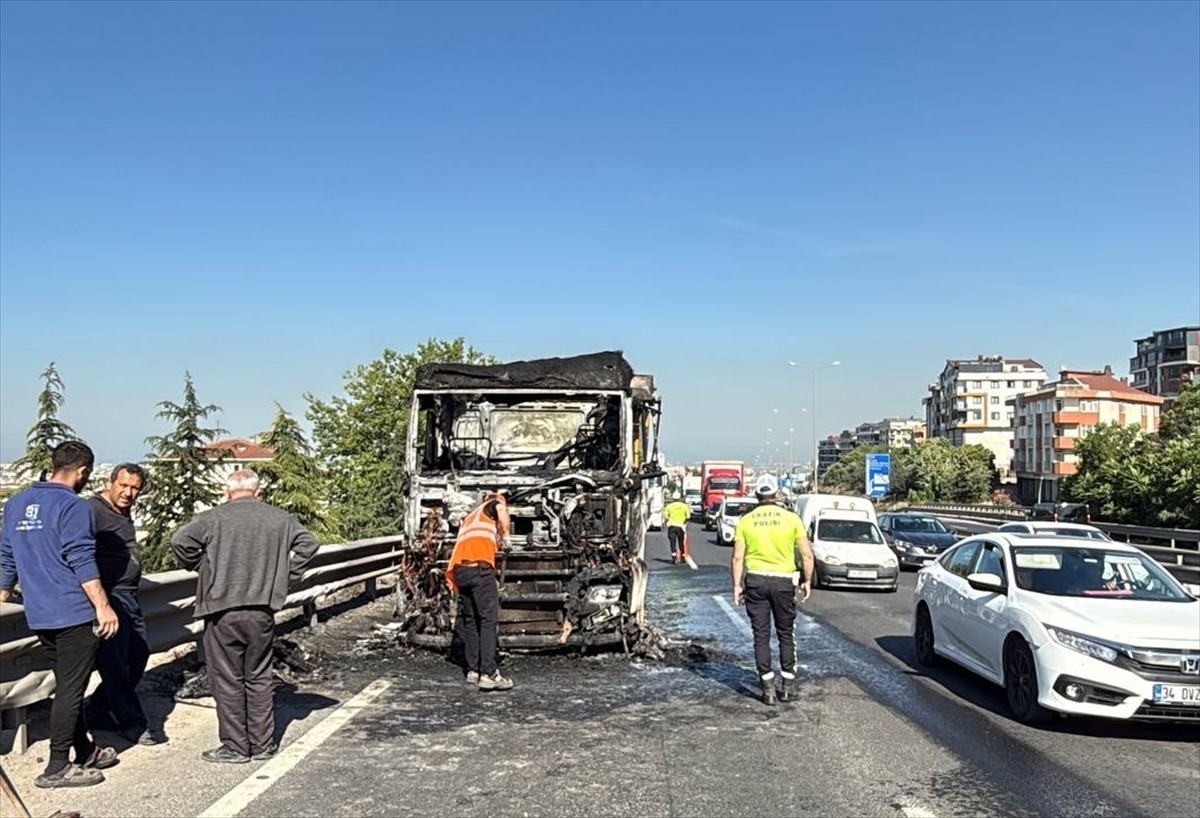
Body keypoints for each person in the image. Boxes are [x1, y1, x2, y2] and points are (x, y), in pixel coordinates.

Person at [171, 469, 319, 764]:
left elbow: (180, 542)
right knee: (259, 676)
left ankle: (237, 747)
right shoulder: (279, 518)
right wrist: (286, 576)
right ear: (258, 492)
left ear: (227, 493)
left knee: (227, 679)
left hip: (221, 611)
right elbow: (309, 545)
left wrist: (202, 566)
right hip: (261, 610)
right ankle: (263, 745)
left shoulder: (212, 518)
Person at [0, 441, 120, 788]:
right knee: (71, 689)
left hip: (39, 613)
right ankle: (56, 767)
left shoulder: (17, 503)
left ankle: (86, 751)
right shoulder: (73, 506)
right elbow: (81, 559)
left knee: (66, 685)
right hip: (72, 612)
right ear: (82, 471)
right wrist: (102, 606)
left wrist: (3, 601)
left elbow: (6, 558)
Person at [84, 463, 157, 745]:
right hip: (108, 597)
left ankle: (98, 710)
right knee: (114, 663)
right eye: (124, 486)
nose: (129, 493)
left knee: (138, 656)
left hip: (129, 596)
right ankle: (133, 723)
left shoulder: (123, 512)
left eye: (135, 488)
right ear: (110, 483)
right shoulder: (92, 511)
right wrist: (99, 602)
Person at [731, 474, 815, 706]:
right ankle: (787, 686)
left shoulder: (746, 521)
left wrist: (737, 585)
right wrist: (807, 580)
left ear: (757, 495)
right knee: (785, 633)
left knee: (761, 635)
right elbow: (807, 554)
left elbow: (738, 557)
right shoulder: (791, 519)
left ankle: (767, 688)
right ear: (777, 495)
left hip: (756, 581)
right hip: (783, 582)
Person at [445, 492, 514, 691]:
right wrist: (507, 537)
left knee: (471, 622)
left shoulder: (470, 518)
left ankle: (473, 671)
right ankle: (489, 673)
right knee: (487, 621)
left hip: (461, 571)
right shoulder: (494, 505)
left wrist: (497, 540)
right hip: (479, 570)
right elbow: (501, 510)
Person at [663, 494, 692, 564]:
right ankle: (682, 557)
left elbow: (666, 517)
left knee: (672, 542)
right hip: (680, 526)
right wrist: (684, 522)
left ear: (673, 498)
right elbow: (688, 517)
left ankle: (674, 556)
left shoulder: (669, 506)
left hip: (672, 526)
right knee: (681, 542)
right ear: (680, 498)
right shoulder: (684, 506)